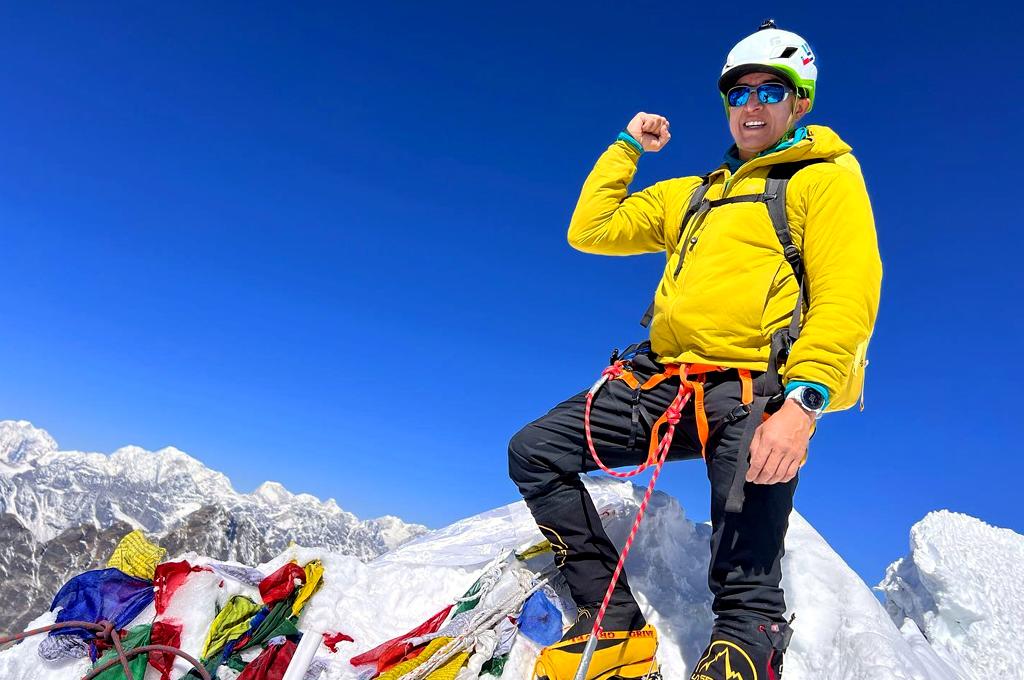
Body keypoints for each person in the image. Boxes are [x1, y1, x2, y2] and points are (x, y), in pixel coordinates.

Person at [508, 20, 882, 680]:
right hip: (661, 384)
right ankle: (611, 618)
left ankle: (749, 641)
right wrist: (629, 146)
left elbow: (847, 293)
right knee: (537, 450)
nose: (754, 105)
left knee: (745, 572)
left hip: (752, 395)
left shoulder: (824, 179)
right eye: (740, 94)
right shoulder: (694, 194)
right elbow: (589, 230)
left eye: (773, 89)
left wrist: (805, 401)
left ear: (802, 101)